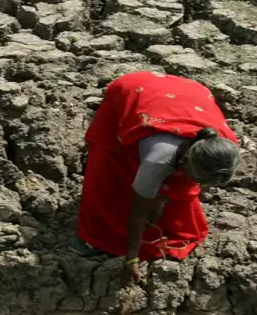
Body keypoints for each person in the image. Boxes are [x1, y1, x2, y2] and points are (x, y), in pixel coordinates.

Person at [75, 71, 241, 283]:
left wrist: (162, 199)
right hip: (133, 90)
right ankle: (91, 233)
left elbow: (188, 181)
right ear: (184, 162)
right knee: (108, 168)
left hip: (189, 94)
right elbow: (138, 214)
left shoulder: (223, 146)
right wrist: (131, 259)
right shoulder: (158, 159)